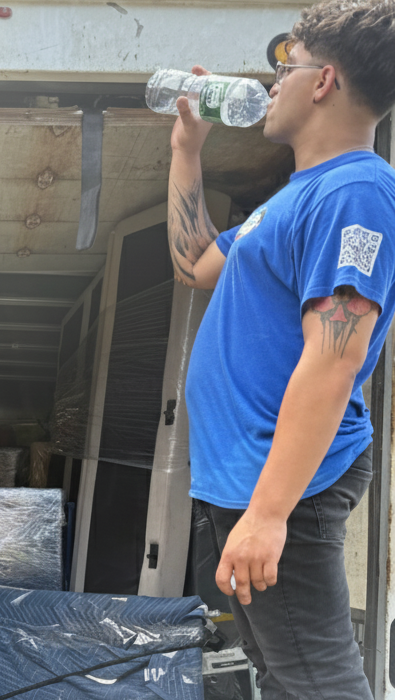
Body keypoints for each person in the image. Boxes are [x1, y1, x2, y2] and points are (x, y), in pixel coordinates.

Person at [168, 2, 395, 697]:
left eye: (285, 69)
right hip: (247, 481)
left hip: (284, 489)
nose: (273, 86)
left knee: (318, 682)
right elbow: (196, 265)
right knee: (283, 676)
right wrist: (187, 149)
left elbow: (334, 360)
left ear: (323, 81)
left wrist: (268, 516)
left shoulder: (356, 192)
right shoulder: (291, 200)